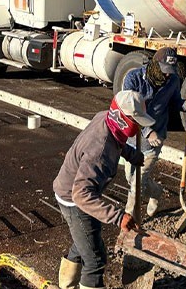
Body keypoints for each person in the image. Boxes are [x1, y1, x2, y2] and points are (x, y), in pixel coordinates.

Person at [53, 90, 151, 289]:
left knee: (86, 240)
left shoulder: (105, 119)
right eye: (137, 122)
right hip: (74, 199)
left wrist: (131, 154)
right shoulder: (99, 151)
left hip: (76, 189)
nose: (140, 128)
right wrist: (118, 216)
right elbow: (81, 195)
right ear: (123, 119)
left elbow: (118, 142)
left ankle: (66, 284)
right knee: (95, 259)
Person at [122, 47, 186, 217]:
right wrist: (148, 131)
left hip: (154, 142)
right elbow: (128, 109)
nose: (167, 75)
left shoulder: (173, 81)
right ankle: (156, 193)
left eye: (170, 71)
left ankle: (128, 222)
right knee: (130, 177)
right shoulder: (133, 78)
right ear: (154, 65)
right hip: (132, 139)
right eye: (164, 71)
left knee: (136, 183)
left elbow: (176, 103)